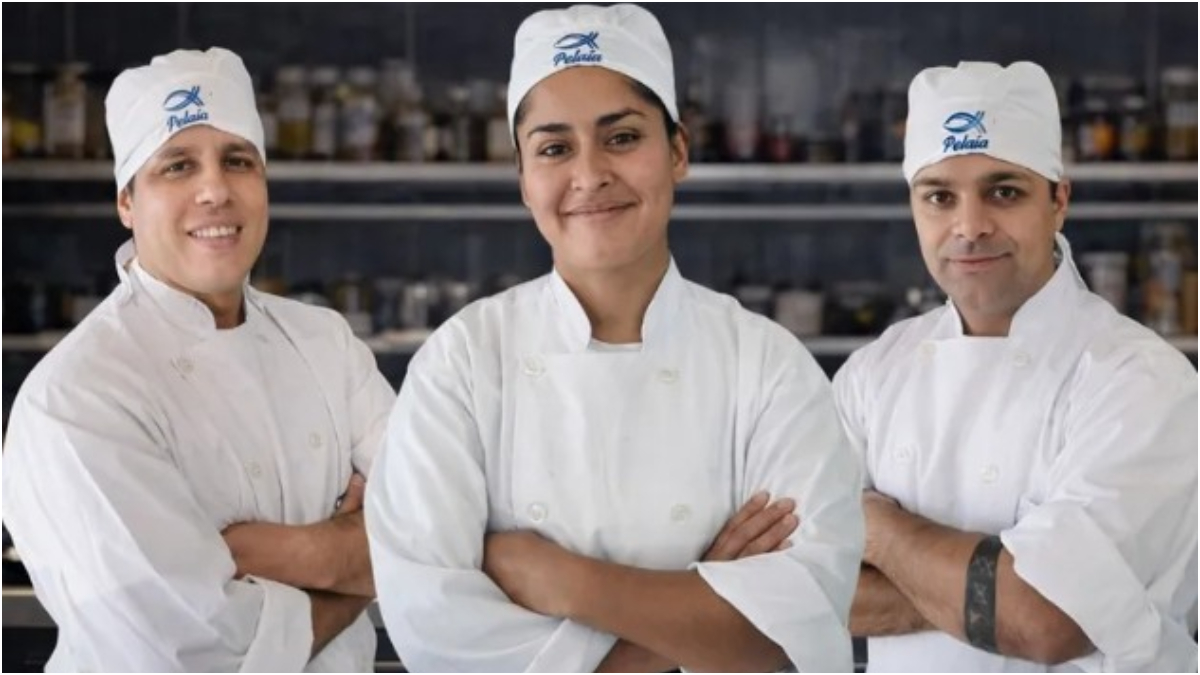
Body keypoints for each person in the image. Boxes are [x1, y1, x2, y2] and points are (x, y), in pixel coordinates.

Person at [365, 4, 864, 672]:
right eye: (553, 148)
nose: (590, 174)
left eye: (622, 137)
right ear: (522, 177)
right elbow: (432, 624)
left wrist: (559, 578)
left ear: (678, 151)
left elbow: (797, 630)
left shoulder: (767, 365)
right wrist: (698, 601)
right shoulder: (462, 362)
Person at [2, 47, 396, 671]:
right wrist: (361, 563)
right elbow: (195, 654)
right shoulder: (77, 399)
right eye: (177, 166)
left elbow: (442, 530)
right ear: (127, 203)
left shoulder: (325, 342)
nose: (215, 189)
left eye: (238, 161)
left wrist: (262, 553)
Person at [834, 60, 1198, 672]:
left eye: (1004, 191)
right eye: (940, 196)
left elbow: (1046, 620)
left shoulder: (1141, 382)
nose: (970, 226)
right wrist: (990, 591)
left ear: (1058, 200)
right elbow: (789, 585)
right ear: (914, 208)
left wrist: (873, 530)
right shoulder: (873, 375)